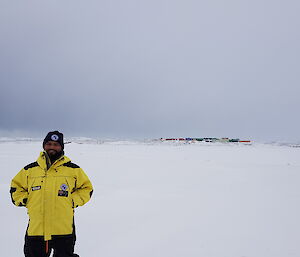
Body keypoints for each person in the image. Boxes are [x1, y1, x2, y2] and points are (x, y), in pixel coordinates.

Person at [10, 131, 93, 257]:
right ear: (44, 146)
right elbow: (16, 188)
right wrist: (27, 200)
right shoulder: (30, 169)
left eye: (56, 144)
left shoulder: (73, 169)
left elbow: (87, 188)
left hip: (64, 230)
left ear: (61, 147)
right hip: (36, 230)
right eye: (49, 144)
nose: (52, 147)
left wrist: (72, 201)